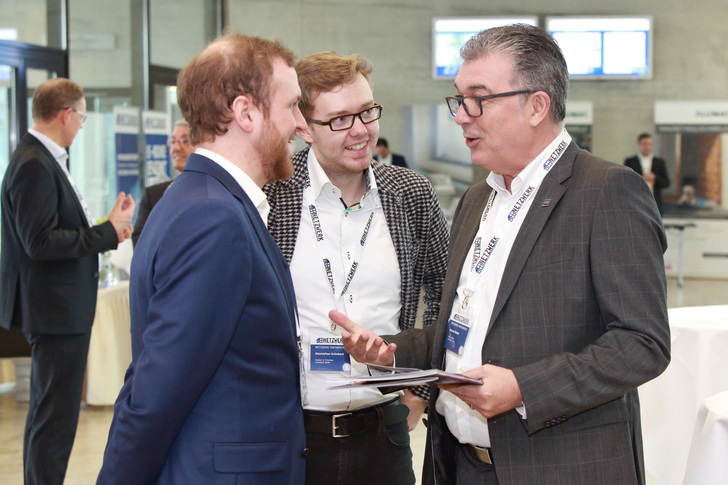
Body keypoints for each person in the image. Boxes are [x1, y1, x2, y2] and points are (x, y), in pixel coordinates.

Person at [332, 24, 670, 485]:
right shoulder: (476, 201)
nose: (461, 116)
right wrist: (391, 351)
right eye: (458, 99)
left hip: (558, 467)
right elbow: (465, 330)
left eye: (479, 98)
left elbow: (642, 343)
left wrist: (523, 389)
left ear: (536, 105)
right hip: (459, 464)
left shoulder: (606, 191)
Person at [97, 33, 307, 484]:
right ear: (245, 112)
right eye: (292, 106)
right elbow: (157, 391)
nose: (302, 125)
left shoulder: (203, 201)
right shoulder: (215, 218)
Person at [264, 51, 449, 485]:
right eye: (341, 119)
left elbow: (447, 291)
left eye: (367, 112)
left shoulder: (411, 193)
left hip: (384, 433)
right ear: (304, 127)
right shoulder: (272, 197)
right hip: (291, 434)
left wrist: (421, 391)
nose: (361, 131)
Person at [0, 77, 135, 485]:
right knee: (54, 420)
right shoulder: (34, 163)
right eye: (81, 117)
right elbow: (39, 242)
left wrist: (109, 229)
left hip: (58, 309)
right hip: (54, 311)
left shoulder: (41, 159)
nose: (81, 126)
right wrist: (107, 232)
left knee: (50, 416)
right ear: (66, 114)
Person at [131, 119, 195, 246]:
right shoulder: (154, 196)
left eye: (184, 141)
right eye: (173, 141)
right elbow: (141, 245)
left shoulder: (216, 191)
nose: (175, 148)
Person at [624, 133, 670, 214]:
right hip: (636, 201)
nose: (647, 147)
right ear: (639, 144)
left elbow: (666, 182)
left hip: (655, 202)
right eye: (645, 144)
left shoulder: (659, 162)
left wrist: (655, 177)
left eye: (649, 144)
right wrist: (641, 178)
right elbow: (625, 181)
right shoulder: (630, 162)